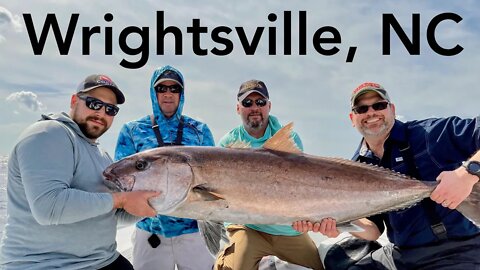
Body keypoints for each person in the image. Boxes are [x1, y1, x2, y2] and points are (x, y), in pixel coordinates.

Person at [294, 82, 480, 269]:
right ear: (353, 118)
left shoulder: (429, 134)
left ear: (392, 109)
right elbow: (373, 231)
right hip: (401, 254)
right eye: (362, 108)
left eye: (379, 105)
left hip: (458, 250)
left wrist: (468, 173)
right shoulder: (356, 165)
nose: (371, 112)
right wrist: (335, 221)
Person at [0, 74, 159, 270]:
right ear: (74, 101)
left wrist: (154, 203)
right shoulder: (49, 133)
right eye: (94, 104)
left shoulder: (102, 155)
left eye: (110, 109)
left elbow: (109, 215)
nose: (101, 113)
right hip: (46, 264)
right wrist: (122, 200)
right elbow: (48, 207)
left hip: (102, 260)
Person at [214, 79, 324, 270]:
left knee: (317, 267)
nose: (255, 107)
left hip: (288, 230)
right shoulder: (228, 144)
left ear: (269, 106)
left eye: (260, 102)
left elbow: (297, 187)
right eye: (248, 103)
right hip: (248, 227)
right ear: (238, 108)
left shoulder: (288, 138)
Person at [114, 65, 215, 270]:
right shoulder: (132, 130)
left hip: (192, 231)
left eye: (174, 89)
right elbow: (121, 181)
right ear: (153, 92)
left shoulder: (199, 131)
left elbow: (212, 180)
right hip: (150, 232)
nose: (168, 94)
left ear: (182, 93)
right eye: (162, 89)